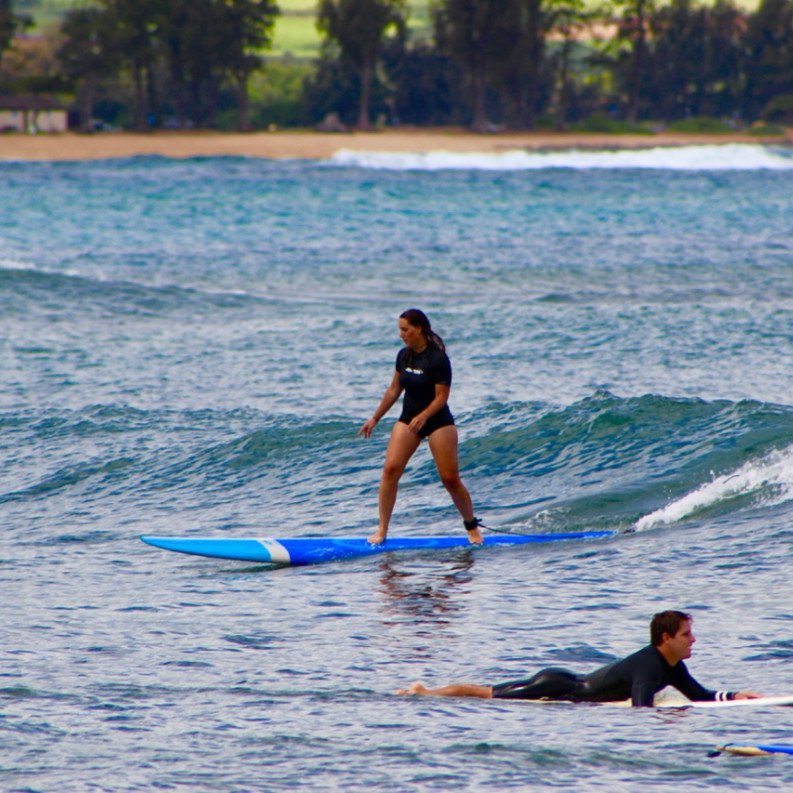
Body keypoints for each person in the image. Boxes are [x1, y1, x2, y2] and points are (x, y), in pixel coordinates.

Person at [397, 610, 761, 706]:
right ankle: (425, 693)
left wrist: (734, 697)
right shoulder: (650, 665)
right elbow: (642, 706)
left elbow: (698, 694)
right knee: (485, 695)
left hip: (562, 681)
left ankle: (425, 691)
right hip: (556, 690)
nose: (693, 640)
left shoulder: (671, 664)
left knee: (486, 690)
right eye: (686, 635)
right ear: (666, 639)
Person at [359, 309, 483, 546]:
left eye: (405, 329)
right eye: (400, 329)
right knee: (390, 471)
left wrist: (425, 416)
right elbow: (394, 390)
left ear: (419, 328)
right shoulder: (403, 356)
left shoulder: (438, 359)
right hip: (409, 419)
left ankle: (472, 527)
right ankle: (382, 530)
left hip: (437, 421)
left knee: (450, 478)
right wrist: (375, 418)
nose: (401, 334)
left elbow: (442, 397)